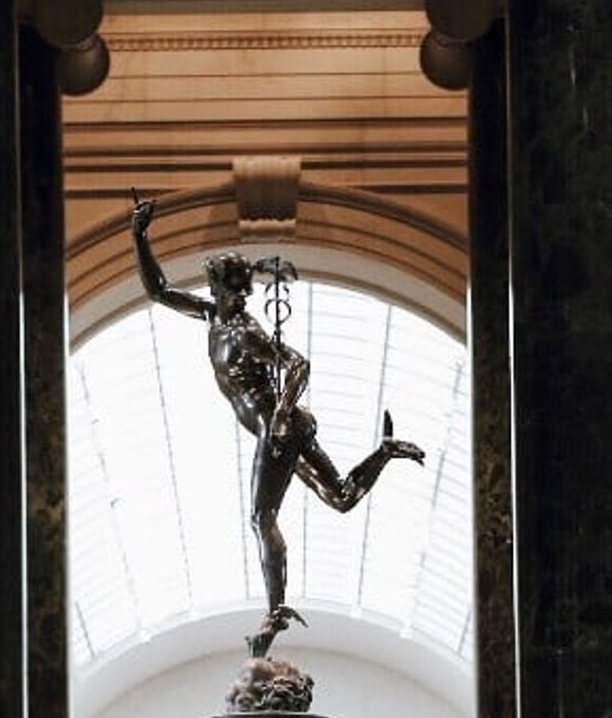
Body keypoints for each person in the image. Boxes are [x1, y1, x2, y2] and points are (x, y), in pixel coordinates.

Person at [131, 196, 425, 656]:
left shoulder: (246, 331)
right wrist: (139, 236)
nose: (230, 295)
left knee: (261, 516)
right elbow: (159, 291)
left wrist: (284, 414)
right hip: (281, 427)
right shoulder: (213, 316)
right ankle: (384, 452)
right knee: (342, 497)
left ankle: (275, 612)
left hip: (278, 428)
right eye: (228, 288)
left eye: (232, 289)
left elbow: (298, 363)